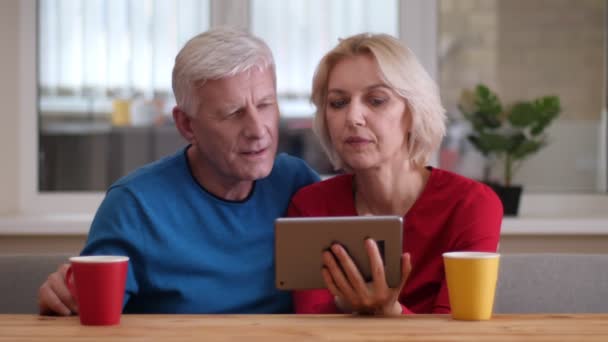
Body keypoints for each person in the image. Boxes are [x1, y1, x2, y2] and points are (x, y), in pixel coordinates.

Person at [38, 28, 319, 315]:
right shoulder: (135, 206)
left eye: (265, 105)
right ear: (186, 125)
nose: (259, 130)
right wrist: (66, 301)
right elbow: (87, 310)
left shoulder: (297, 183)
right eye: (233, 113)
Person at [288, 33, 502, 315]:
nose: (353, 117)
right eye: (338, 103)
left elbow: (459, 332)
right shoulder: (311, 206)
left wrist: (390, 312)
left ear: (413, 112)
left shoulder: (471, 204)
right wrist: (349, 303)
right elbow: (308, 325)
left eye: (376, 100)